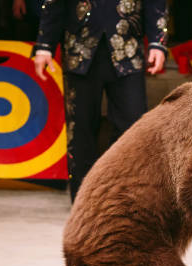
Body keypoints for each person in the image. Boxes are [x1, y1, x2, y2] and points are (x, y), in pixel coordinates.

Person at [33, 0, 168, 201]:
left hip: (127, 50)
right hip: (80, 48)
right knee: (81, 129)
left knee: (133, 127)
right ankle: (83, 199)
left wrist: (158, 42)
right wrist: (45, 45)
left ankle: (125, 197)